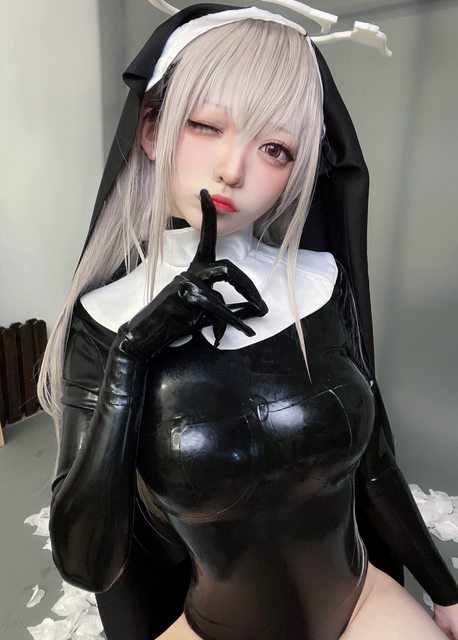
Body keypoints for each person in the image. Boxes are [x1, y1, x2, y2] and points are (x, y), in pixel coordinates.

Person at [38, 4, 458, 639]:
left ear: (299, 169)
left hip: (363, 605)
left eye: (274, 148)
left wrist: (446, 592)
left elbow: (374, 469)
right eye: (205, 126)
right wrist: (130, 359)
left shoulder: (321, 283)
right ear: (151, 129)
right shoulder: (102, 325)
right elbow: (86, 564)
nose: (232, 170)